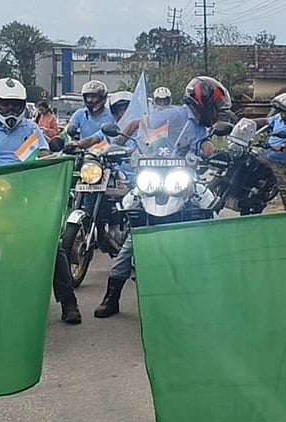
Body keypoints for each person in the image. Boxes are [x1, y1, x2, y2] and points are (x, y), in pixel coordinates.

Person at [94, 77, 224, 319]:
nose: (216, 112)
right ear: (204, 103)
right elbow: (136, 124)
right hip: (154, 179)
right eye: (215, 107)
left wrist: (216, 155)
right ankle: (111, 297)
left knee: (209, 216)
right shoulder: (175, 115)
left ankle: (209, 291)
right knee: (133, 238)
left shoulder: (200, 125)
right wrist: (117, 146)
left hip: (182, 180)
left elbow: (204, 144)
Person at [0, 79, 81, 324]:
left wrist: (49, 157)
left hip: (26, 196)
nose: (10, 110)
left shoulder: (31, 130)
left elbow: (44, 153)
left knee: (52, 246)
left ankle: (68, 302)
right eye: (5, 105)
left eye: (15, 105)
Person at [67, 80, 114, 149]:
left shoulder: (111, 116)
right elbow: (69, 129)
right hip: (83, 153)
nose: (90, 100)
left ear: (102, 98)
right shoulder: (80, 113)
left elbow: (93, 140)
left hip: (103, 153)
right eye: (88, 97)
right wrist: (70, 131)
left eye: (94, 97)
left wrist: (78, 144)